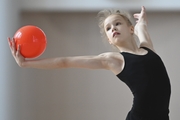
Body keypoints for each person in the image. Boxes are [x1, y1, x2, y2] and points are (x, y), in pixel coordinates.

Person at [8, 6, 171, 120]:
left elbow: (142, 27)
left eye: (117, 23)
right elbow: (64, 62)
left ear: (130, 29)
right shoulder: (113, 60)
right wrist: (26, 63)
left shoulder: (147, 47)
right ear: (109, 39)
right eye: (108, 28)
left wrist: (141, 20)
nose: (113, 28)